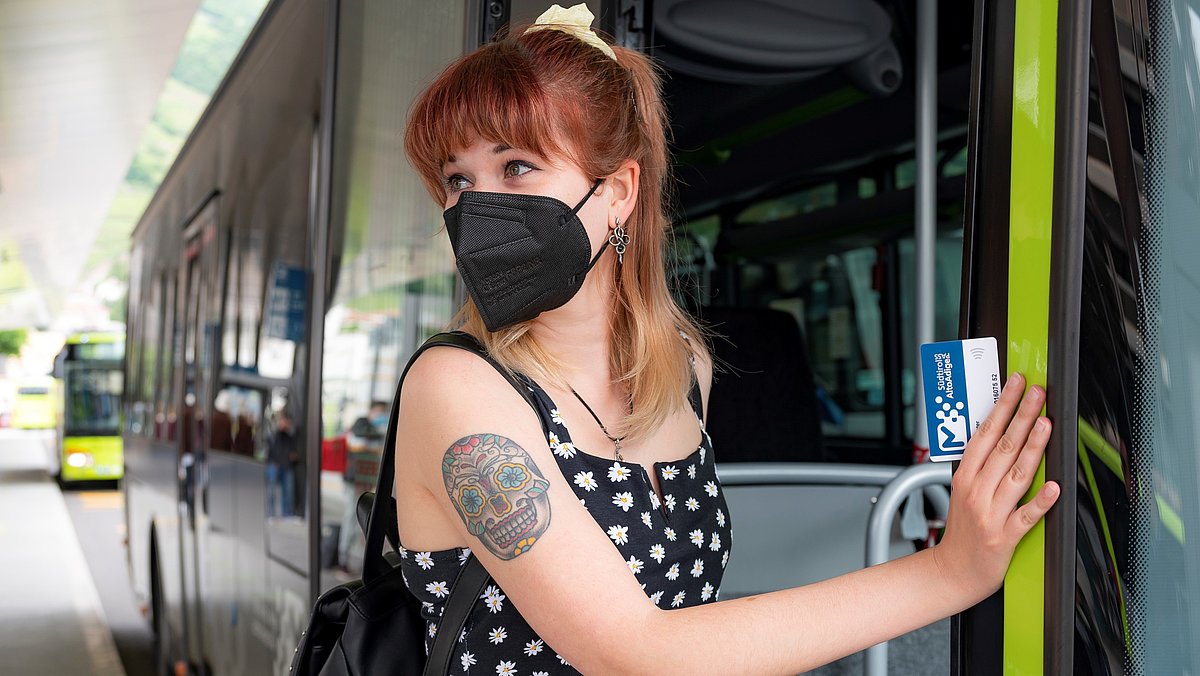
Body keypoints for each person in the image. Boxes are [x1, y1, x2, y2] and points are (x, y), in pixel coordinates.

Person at [392, 4, 1060, 673]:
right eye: (457, 180)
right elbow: (637, 654)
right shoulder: (456, 386)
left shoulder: (684, 370)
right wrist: (948, 573)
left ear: (619, 191)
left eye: (515, 167)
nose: (475, 208)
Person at [338, 400, 388, 570]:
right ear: (372, 410)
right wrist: (377, 433)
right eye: (379, 412)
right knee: (351, 518)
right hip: (354, 481)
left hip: (366, 480)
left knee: (363, 519)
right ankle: (342, 558)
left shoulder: (376, 430)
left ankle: (358, 559)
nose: (380, 416)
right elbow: (359, 439)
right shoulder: (361, 424)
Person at [266, 410, 298, 517]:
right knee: (271, 491)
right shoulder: (273, 435)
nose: (286, 424)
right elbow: (272, 450)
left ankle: (287, 513)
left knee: (288, 492)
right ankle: (270, 513)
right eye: (284, 421)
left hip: (287, 466)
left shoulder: (289, 437)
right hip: (274, 465)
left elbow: (293, 453)